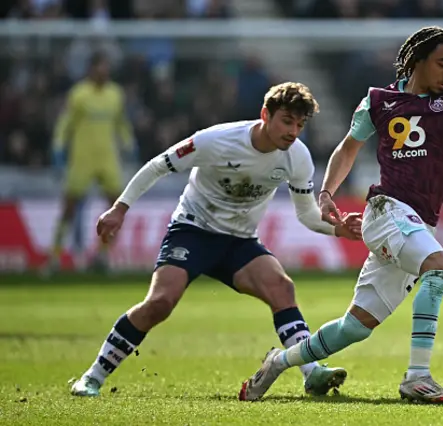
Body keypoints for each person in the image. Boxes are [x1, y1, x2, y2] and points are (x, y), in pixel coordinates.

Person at [239, 26, 443, 404]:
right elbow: (348, 148)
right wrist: (326, 193)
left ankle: (278, 362)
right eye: (442, 63)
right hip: (386, 210)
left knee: (355, 328)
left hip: (418, 222)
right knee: (437, 267)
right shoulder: (378, 101)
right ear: (418, 60)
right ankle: (417, 377)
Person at [70, 82, 362, 397]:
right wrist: (119, 208)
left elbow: (305, 214)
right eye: (287, 121)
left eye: (300, 125)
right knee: (160, 303)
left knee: (282, 288)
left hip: (239, 241)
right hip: (193, 231)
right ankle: (92, 376)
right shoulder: (217, 140)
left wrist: (338, 229)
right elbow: (159, 165)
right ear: (265, 114)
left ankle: (312, 373)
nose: (293, 131)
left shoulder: (297, 157)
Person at [46, 51, 136, 273]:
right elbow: (65, 123)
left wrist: (129, 143)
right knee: (69, 207)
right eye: (100, 68)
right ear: (91, 70)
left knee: (117, 206)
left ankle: (102, 255)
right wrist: (58, 146)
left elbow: (121, 123)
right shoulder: (79, 94)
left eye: (106, 68)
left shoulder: (115, 94)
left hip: (107, 158)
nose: (103, 72)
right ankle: (54, 256)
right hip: (82, 158)